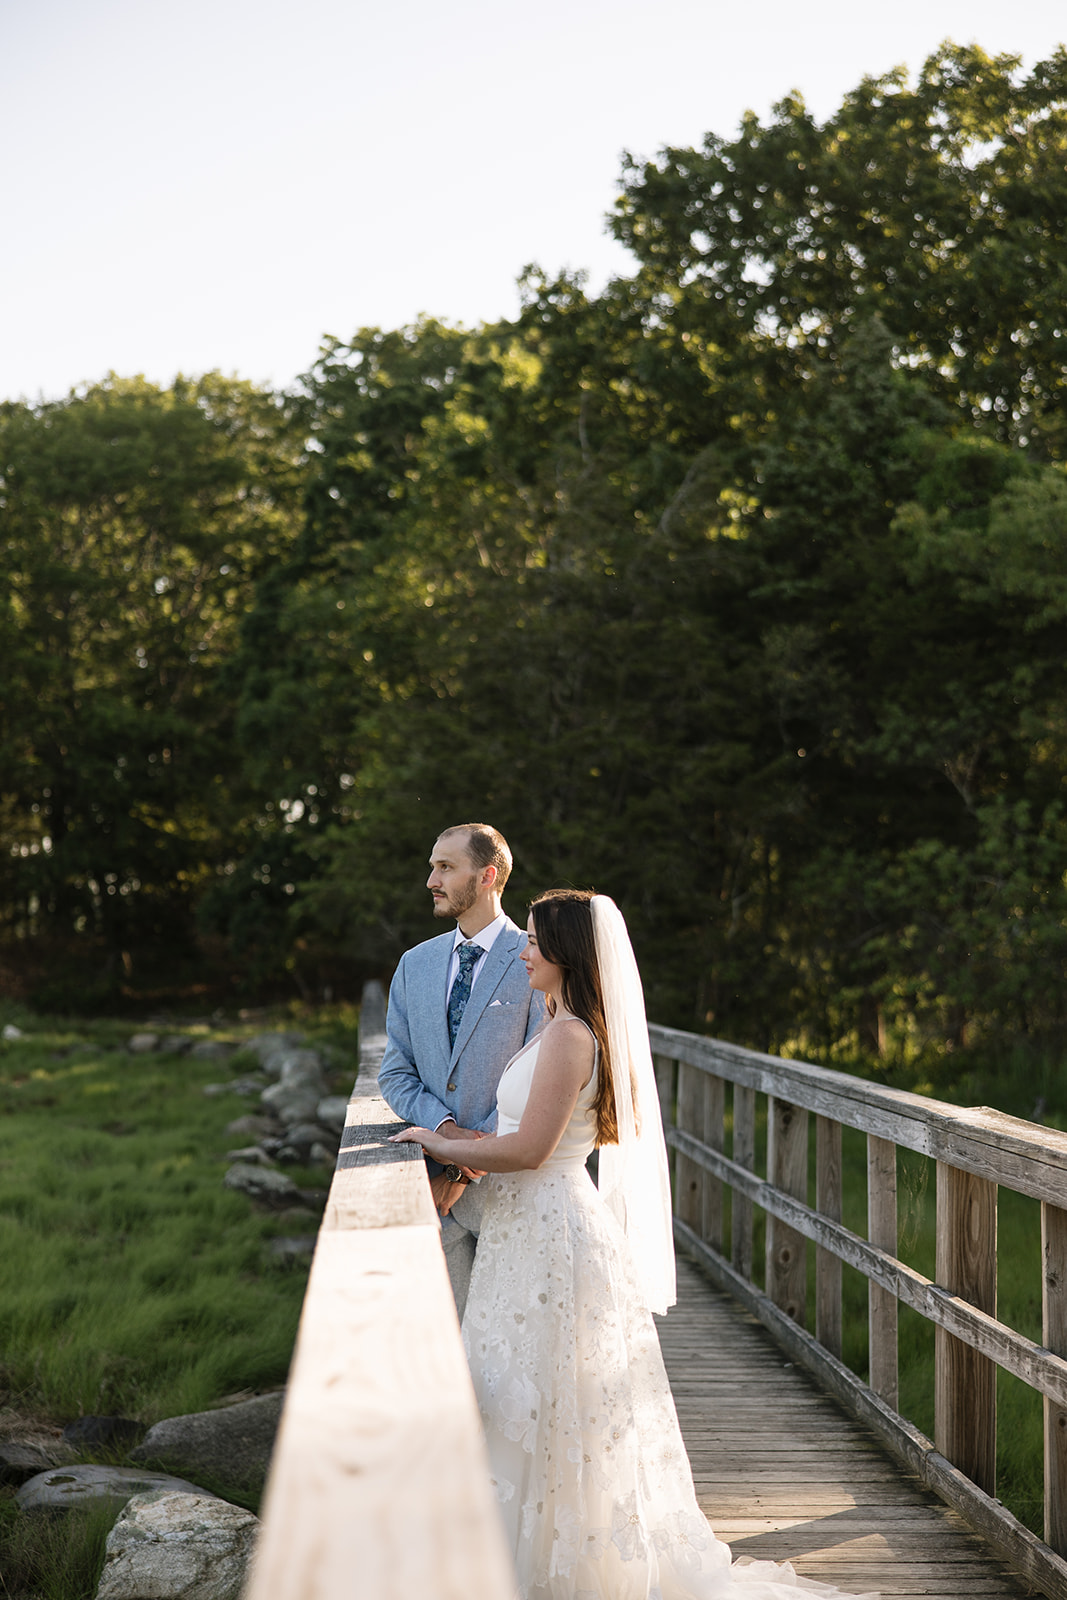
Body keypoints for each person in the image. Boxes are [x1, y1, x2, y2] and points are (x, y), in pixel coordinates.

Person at [391, 890, 872, 1600]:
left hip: (550, 1235)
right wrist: (462, 1145)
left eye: (531, 942)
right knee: (528, 1397)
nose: (521, 952)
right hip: (530, 1234)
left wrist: (436, 1141)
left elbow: (529, 1150)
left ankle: (554, 1569)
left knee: (543, 1399)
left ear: (564, 953)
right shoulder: (563, 1024)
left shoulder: (569, 1037)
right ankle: (517, 1559)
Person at [378, 823, 545, 1319]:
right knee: (449, 1351)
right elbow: (395, 1073)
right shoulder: (415, 964)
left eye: (445, 867)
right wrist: (446, 1133)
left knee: (513, 1345)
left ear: (488, 875)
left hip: (513, 1194)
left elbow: (543, 1075)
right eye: (432, 866)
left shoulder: (537, 960)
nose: (431, 879)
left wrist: (465, 1163)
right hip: (433, 1200)